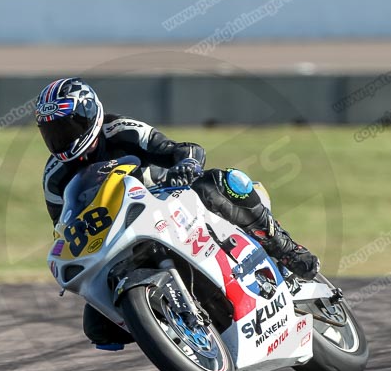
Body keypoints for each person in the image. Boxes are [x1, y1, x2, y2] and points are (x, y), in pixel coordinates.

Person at [37, 77, 319, 349]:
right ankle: (168, 324)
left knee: (220, 182)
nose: (62, 138)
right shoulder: (54, 177)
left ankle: (285, 249)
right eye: (52, 132)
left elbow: (180, 150)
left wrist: (185, 165)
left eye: (69, 126)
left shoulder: (122, 129)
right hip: (117, 232)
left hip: (164, 198)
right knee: (98, 327)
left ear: (90, 115)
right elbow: (64, 226)